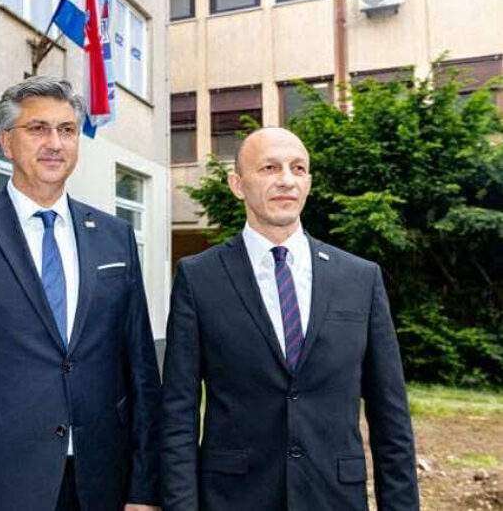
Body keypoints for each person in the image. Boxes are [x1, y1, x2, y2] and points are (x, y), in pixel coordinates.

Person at [0, 76, 161, 511]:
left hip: (100, 481)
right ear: (6, 142)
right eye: (38, 129)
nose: (55, 143)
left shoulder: (115, 237)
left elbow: (141, 372)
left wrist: (144, 489)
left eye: (67, 130)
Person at [160, 127, 419, 510]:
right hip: (234, 498)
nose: (286, 180)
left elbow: (391, 415)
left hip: (334, 498)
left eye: (298, 168)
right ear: (237, 184)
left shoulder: (360, 278)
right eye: (269, 168)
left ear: (308, 183)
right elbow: (178, 413)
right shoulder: (199, 278)